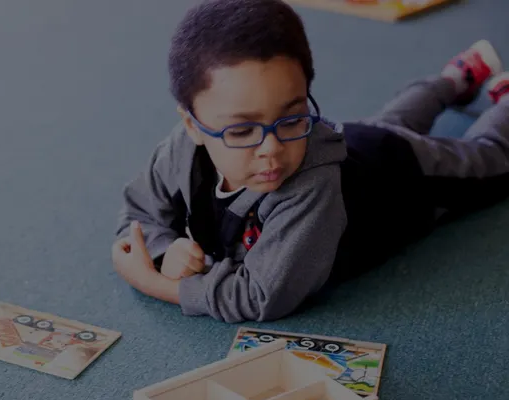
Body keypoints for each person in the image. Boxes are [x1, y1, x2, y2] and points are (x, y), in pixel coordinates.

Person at [110, 0, 509, 323]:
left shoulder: (307, 185)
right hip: (360, 141)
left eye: (292, 116)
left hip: (399, 175)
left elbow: (261, 296)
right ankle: (454, 79)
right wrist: (165, 251)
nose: (270, 149)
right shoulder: (182, 149)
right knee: (392, 121)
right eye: (242, 130)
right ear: (192, 124)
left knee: (491, 161)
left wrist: (155, 283)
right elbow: (139, 215)